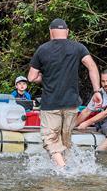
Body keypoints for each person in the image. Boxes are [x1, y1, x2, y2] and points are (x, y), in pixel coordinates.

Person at [27, 18, 101, 168]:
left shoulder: (42, 49)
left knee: (50, 140)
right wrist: (97, 91)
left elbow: (31, 77)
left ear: (50, 32)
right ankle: (67, 171)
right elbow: (92, 67)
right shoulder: (78, 48)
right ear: (67, 32)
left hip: (50, 104)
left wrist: (45, 78)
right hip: (71, 104)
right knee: (65, 141)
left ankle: (63, 170)